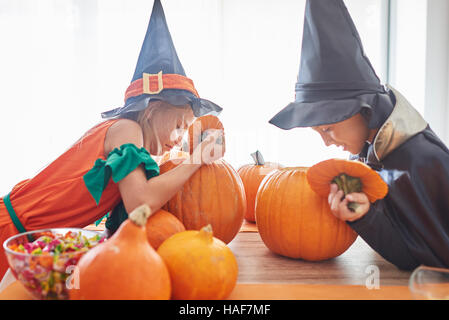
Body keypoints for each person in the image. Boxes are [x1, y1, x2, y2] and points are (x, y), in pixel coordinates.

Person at [0, 0, 223, 279]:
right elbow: (140, 203)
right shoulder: (127, 130)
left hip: (33, 242)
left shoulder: (128, 137)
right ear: (152, 109)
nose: (179, 139)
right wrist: (197, 159)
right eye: (180, 125)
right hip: (10, 238)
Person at [269, 0, 449, 270]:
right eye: (318, 132)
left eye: (327, 128)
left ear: (364, 110)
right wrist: (363, 215)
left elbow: (427, 263)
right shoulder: (371, 151)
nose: (327, 141)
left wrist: (365, 217)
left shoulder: (418, 161)